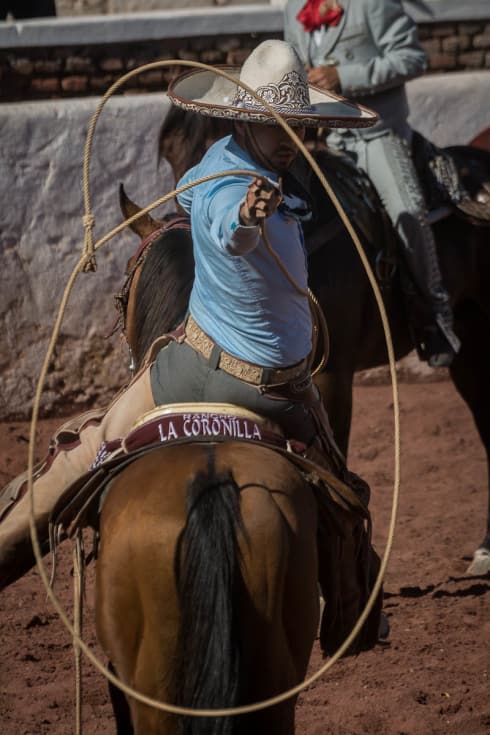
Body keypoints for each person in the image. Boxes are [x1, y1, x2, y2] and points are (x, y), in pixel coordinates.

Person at [0, 40, 377, 594]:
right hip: (276, 391)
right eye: (274, 125)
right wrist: (247, 216)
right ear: (246, 121)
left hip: (188, 365)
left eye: (295, 125)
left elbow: (204, 201)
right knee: (345, 498)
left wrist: (247, 212)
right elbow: (231, 229)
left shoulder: (214, 166)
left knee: (82, 455)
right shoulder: (233, 186)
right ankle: (356, 608)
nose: (288, 139)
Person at [284, 0, 461, 367]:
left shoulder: (373, 3)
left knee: (407, 211)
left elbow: (412, 57)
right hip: (326, 138)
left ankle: (435, 316)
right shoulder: (294, 9)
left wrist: (344, 77)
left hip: (376, 136)